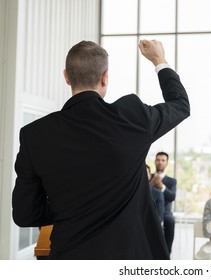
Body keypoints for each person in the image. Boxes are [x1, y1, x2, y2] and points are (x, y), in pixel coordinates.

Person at [12, 39, 190, 260]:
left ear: (66, 76)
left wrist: (65, 206)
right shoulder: (132, 117)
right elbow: (181, 105)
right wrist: (159, 60)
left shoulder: (34, 135)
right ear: (105, 77)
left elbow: (24, 214)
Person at [150, 151, 177, 254]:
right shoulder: (149, 176)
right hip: (150, 209)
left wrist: (161, 185)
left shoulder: (171, 181)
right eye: (158, 160)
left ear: (166, 163)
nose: (160, 162)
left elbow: (172, 197)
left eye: (163, 160)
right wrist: (152, 183)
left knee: (169, 220)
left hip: (165, 211)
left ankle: (167, 251)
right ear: (155, 161)